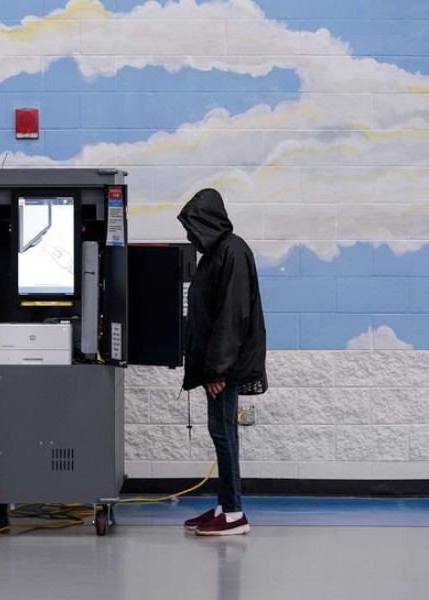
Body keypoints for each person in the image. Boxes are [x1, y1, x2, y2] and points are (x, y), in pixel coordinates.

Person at [177, 188, 268, 537]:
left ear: (207, 222)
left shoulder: (232, 252)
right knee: (223, 433)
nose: (190, 237)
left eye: (193, 228)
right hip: (217, 364)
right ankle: (225, 504)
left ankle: (233, 514)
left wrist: (217, 369)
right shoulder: (217, 254)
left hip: (224, 366)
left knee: (224, 433)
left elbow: (232, 315)